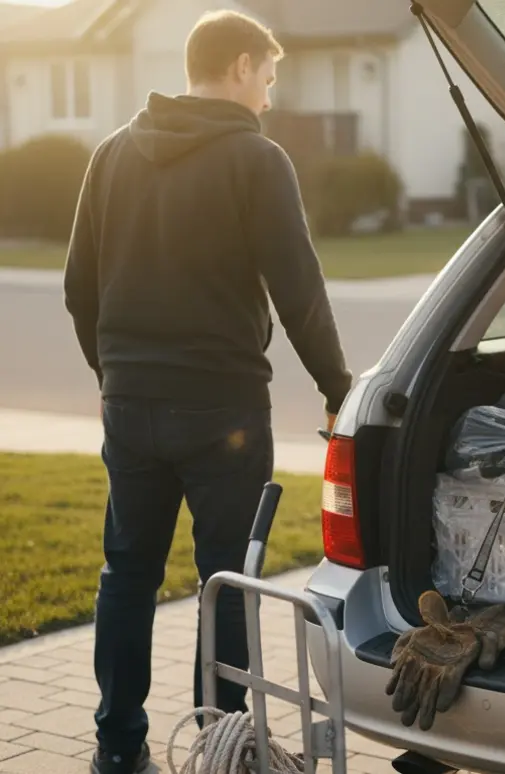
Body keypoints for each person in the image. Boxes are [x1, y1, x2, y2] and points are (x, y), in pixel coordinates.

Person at [62, 10, 352, 774]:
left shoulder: (111, 154)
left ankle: (116, 749)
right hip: (225, 410)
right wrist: (338, 387)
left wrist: (113, 377)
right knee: (226, 582)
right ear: (240, 66)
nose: (269, 96)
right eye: (268, 78)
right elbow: (300, 292)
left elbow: (77, 288)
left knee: (127, 575)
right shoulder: (257, 160)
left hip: (131, 405)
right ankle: (218, 749)